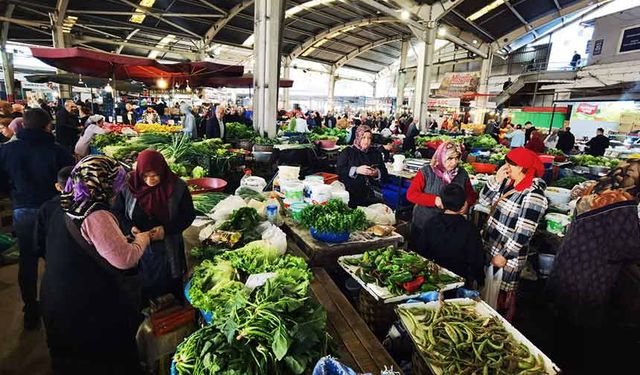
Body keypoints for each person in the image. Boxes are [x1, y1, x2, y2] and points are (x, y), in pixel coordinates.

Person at [38, 156, 152, 374]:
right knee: (100, 361)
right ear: (103, 183)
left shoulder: (63, 203)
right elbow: (125, 259)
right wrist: (142, 239)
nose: (117, 192)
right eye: (115, 185)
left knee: (69, 360)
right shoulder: (95, 213)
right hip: (86, 307)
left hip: (57, 297)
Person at [0, 108, 75, 329]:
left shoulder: (7, 150)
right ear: (48, 126)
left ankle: (31, 309)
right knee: (56, 257)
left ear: (23, 125)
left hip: (23, 209)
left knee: (28, 259)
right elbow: (70, 182)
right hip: (53, 210)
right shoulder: (57, 151)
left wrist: (13, 193)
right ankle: (60, 307)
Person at [114, 150, 195, 301]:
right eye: (145, 176)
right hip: (138, 248)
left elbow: (188, 215)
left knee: (170, 285)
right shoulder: (128, 187)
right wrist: (130, 228)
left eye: (155, 175)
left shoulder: (177, 187)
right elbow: (117, 213)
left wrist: (166, 230)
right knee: (143, 287)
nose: (150, 180)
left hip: (169, 247)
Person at [479, 148, 548, 320]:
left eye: (512, 164)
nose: (507, 166)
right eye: (507, 162)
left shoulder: (533, 195)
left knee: (500, 298)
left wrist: (504, 255)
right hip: (491, 247)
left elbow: (523, 232)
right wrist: (496, 180)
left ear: (524, 168)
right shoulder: (507, 183)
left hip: (508, 257)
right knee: (488, 292)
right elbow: (483, 200)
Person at [406, 141, 476, 251]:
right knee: (421, 254)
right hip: (424, 223)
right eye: (450, 158)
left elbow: (471, 194)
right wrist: (434, 200)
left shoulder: (462, 174)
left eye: (457, 158)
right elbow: (411, 195)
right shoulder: (426, 172)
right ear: (440, 157)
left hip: (450, 228)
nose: (454, 162)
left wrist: (467, 203)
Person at [420, 184, 484, 289]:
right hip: (460, 281)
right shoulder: (470, 229)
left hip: (432, 279)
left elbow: (422, 250)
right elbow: (476, 259)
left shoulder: (430, 223)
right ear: (464, 205)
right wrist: (480, 279)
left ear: (441, 202)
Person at [336, 125, 388, 208]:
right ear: (358, 137)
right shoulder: (347, 152)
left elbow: (385, 173)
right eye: (363, 137)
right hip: (351, 196)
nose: (366, 141)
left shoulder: (375, 153)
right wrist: (356, 170)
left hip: (371, 196)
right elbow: (339, 171)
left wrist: (376, 173)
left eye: (369, 138)